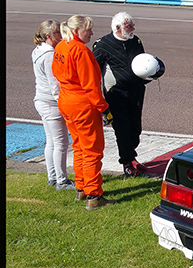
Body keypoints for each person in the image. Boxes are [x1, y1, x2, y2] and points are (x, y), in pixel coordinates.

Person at [52, 15, 116, 210]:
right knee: (92, 150)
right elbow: (91, 87)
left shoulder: (62, 46)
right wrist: (104, 109)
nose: (92, 33)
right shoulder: (81, 51)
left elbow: (56, 72)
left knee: (78, 146)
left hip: (66, 100)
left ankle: (81, 187)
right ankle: (94, 195)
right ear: (77, 30)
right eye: (88, 30)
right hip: (82, 104)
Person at [92, 12, 150, 177]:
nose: (133, 28)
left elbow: (143, 62)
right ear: (118, 28)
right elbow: (93, 71)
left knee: (136, 129)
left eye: (132, 25)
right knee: (122, 129)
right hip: (116, 94)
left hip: (137, 90)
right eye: (129, 26)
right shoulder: (102, 45)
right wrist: (98, 96)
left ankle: (131, 156)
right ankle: (126, 162)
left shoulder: (136, 40)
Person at [32, 19, 75, 191]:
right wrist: (64, 105)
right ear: (49, 35)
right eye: (58, 32)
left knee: (51, 141)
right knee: (60, 143)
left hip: (42, 100)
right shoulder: (49, 55)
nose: (61, 35)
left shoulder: (38, 50)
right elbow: (54, 85)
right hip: (51, 103)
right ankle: (61, 180)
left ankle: (53, 177)